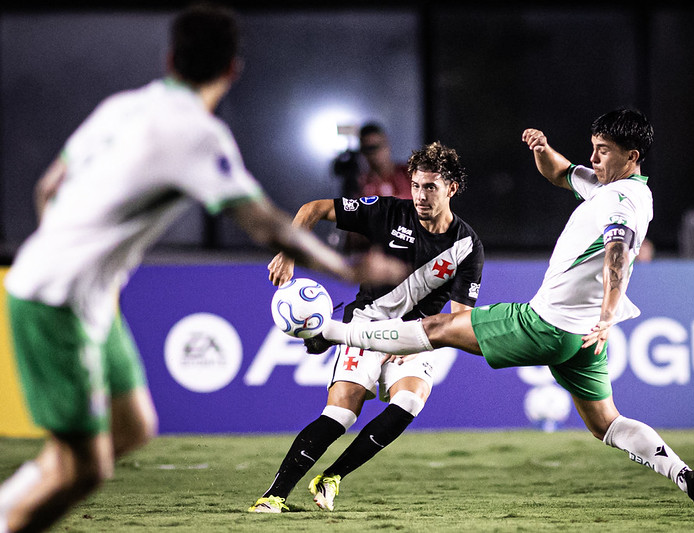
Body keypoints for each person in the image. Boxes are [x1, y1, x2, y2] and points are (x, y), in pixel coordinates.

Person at [0, 5, 406, 533]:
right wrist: (349, 272)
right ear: (232, 70)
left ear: (170, 58)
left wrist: (84, 257)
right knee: (83, 465)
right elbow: (267, 226)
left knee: (133, 428)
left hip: (86, 294)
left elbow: (47, 188)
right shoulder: (197, 133)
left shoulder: (123, 106)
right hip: (56, 299)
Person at [304, 109, 694, 517]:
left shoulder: (625, 201)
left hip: (547, 324)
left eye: (602, 149)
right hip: (579, 338)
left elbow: (617, 254)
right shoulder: (609, 187)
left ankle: (332, 333)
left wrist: (607, 313)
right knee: (606, 422)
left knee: (437, 327)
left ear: (631, 156)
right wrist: (542, 150)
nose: (593, 156)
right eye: (593, 146)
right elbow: (563, 173)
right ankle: (686, 475)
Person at [248, 141, 484, 513]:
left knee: (410, 400)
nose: (420, 196)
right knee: (341, 414)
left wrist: (430, 337)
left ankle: (332, 477)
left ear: (451, 189)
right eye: (417, 186)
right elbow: (313, 209)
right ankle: (273, 496)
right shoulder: (388, 212)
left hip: (415, 336)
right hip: (366, 325)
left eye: (431, 187)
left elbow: (460, 318)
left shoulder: (466, 246)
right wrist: (288, 253)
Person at [356, 122, 412, 200]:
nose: (373, 153)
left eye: (375, 147)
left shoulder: (407, 174)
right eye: (367, 149)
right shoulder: (362, 184)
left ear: (387, 144)